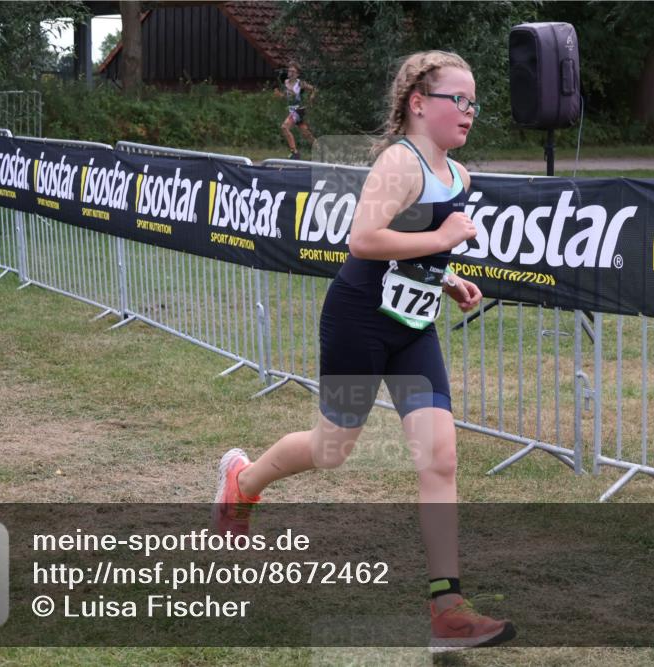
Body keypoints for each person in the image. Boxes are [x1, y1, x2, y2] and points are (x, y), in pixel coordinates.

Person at [214, 50, 516, 652]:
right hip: (359, 322)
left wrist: (445, 276)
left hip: (412, 330)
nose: (469, 111)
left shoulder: (458, 174)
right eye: (458, 100)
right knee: (332, 449)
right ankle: (242, 483)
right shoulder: (399, 164)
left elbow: (414, 252)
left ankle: (447, 609)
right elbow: (362, 238)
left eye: (474, 102)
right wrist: (444, 238)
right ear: (418, 103)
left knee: (440, 458)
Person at [274, 62, 316, 160]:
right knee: (306, 134)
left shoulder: (300, 83)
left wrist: (312, 97)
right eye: (289, 70)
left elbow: (314, 89)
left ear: (297, 74)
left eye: (293, 71)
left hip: (299, 109)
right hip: (292, 110)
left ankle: (295, 153)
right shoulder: (286, 82)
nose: (290, 72)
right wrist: (279, 95)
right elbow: (286, 96)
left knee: (284, 127)